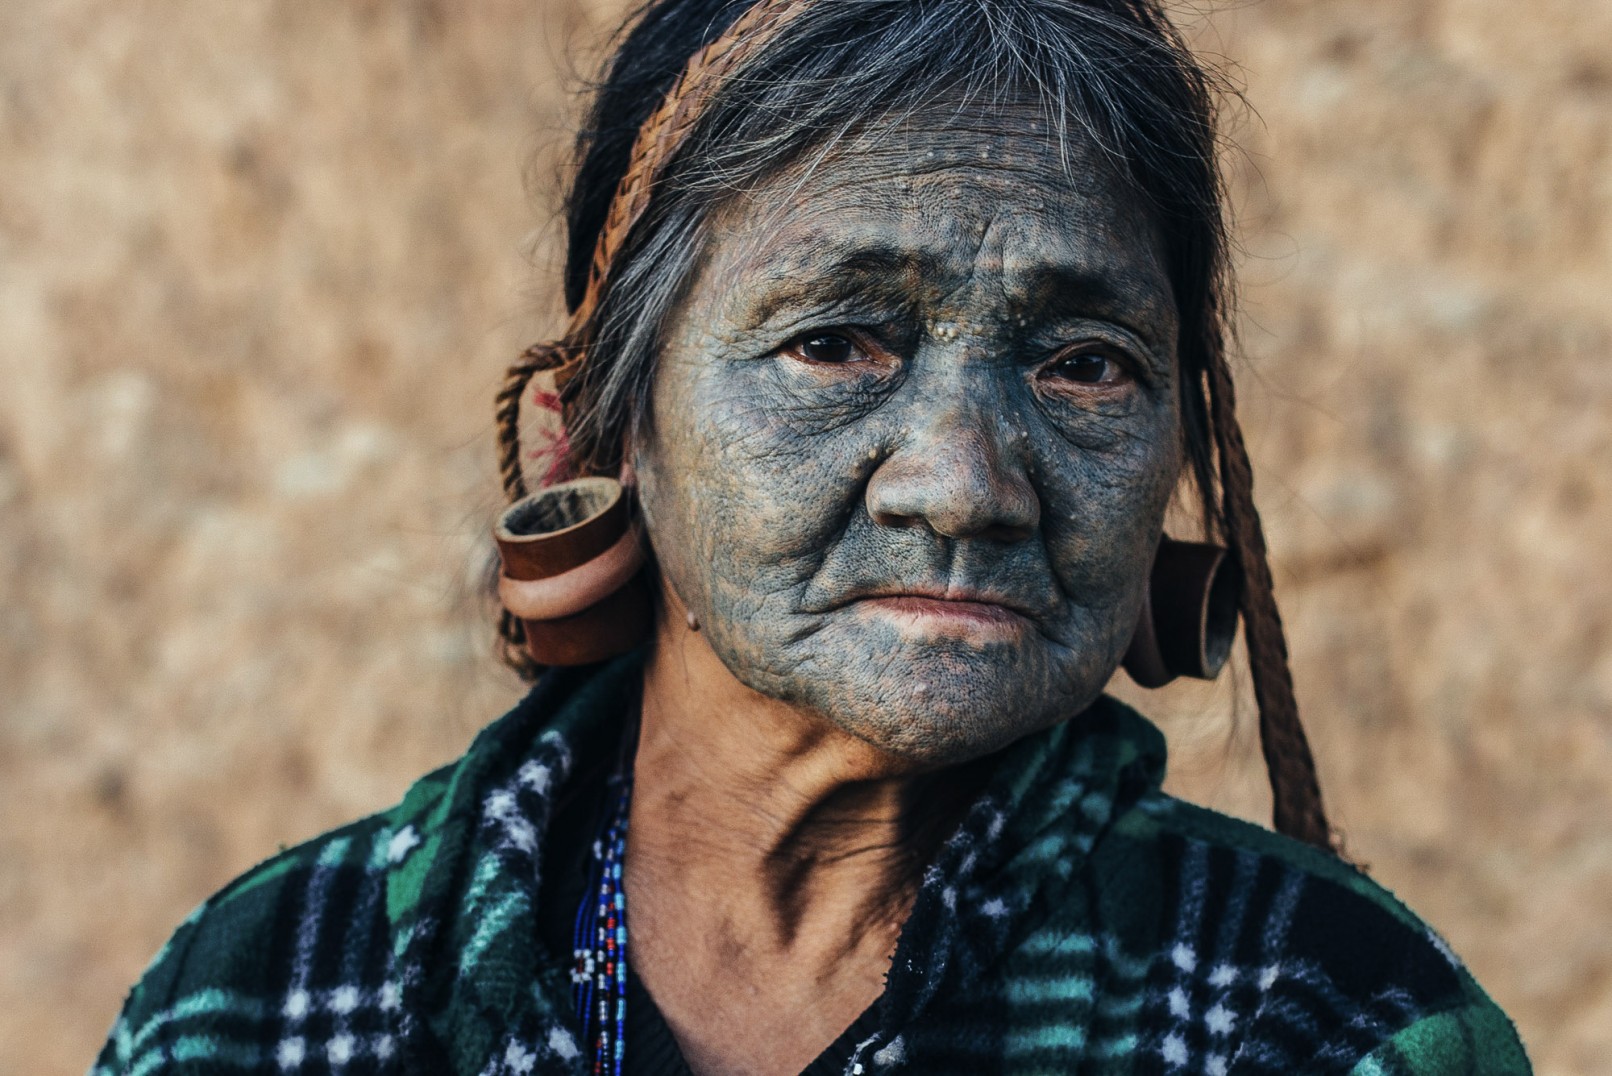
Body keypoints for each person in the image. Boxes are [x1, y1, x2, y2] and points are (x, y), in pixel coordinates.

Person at [95, 1, 1531, 1073]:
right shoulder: (262, 1003)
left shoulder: (1328, 1023)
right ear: (592, 438)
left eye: (1086, 365)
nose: (964, 488)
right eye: (835, 342)